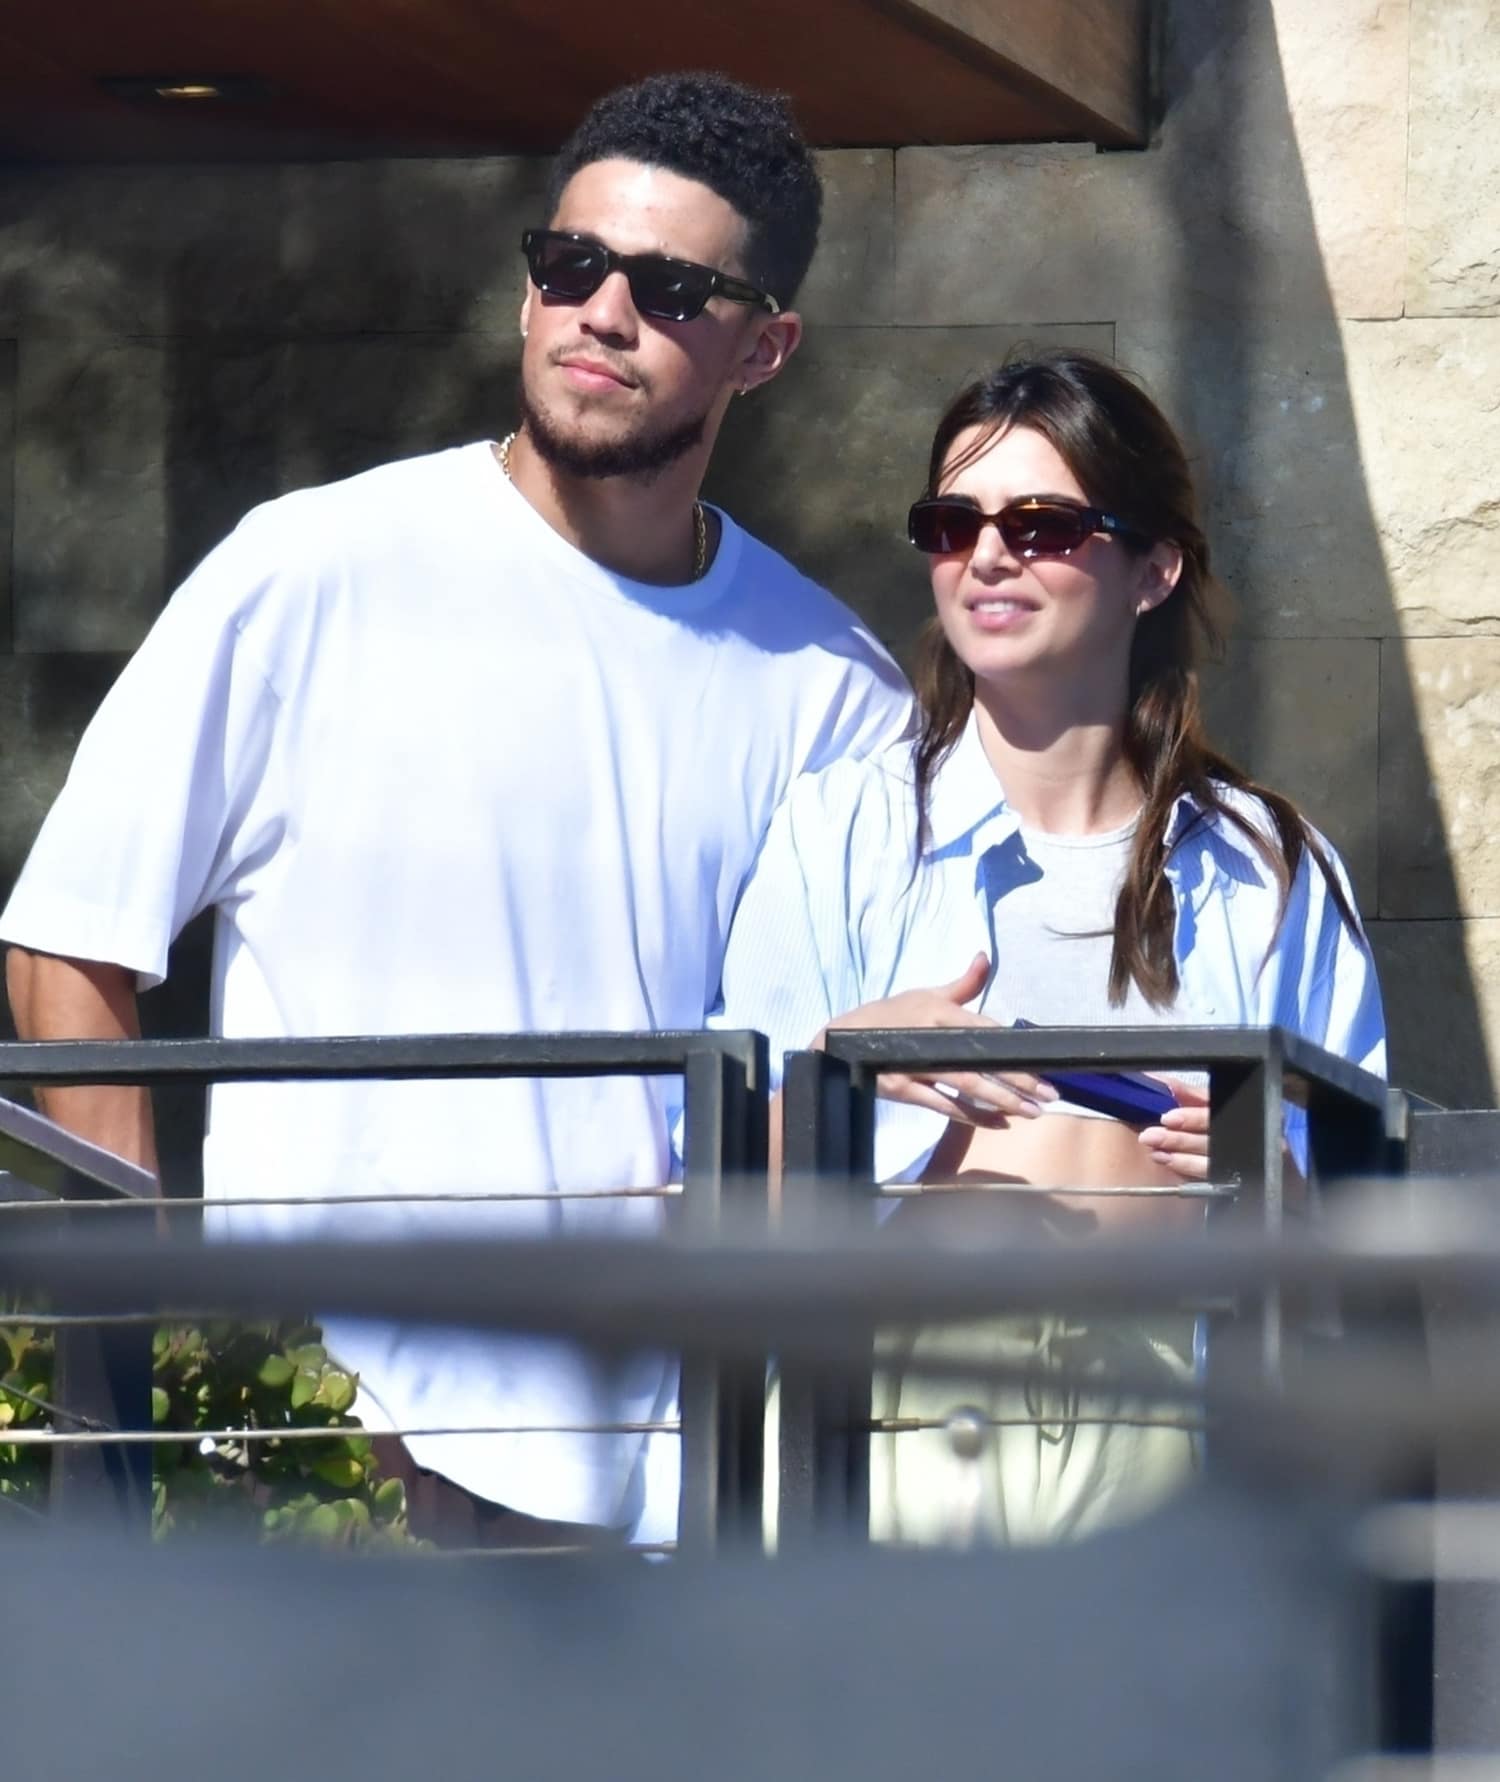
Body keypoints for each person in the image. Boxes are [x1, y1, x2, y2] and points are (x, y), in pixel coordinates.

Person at [0, 71, 911, 1547]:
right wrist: (159, 1348)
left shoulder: (831, 684)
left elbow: (837, 1082)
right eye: (571, 263)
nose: (601, 313)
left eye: (671, 288)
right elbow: (70, 943)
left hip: (671, 1477)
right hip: (327, 1452)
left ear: (766, 346)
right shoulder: (312, 569)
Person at [714, 348, 1384, 1544]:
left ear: (1153, 568)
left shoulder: (1266, 869)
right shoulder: (843, 832)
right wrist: (836, 1075)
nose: (987, 556)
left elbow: (1368, 1240)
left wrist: (1267, 1188)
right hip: (882, 1419)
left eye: (1040, 525)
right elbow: (716, 1210)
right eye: (951, 523)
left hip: (1172, 1429)